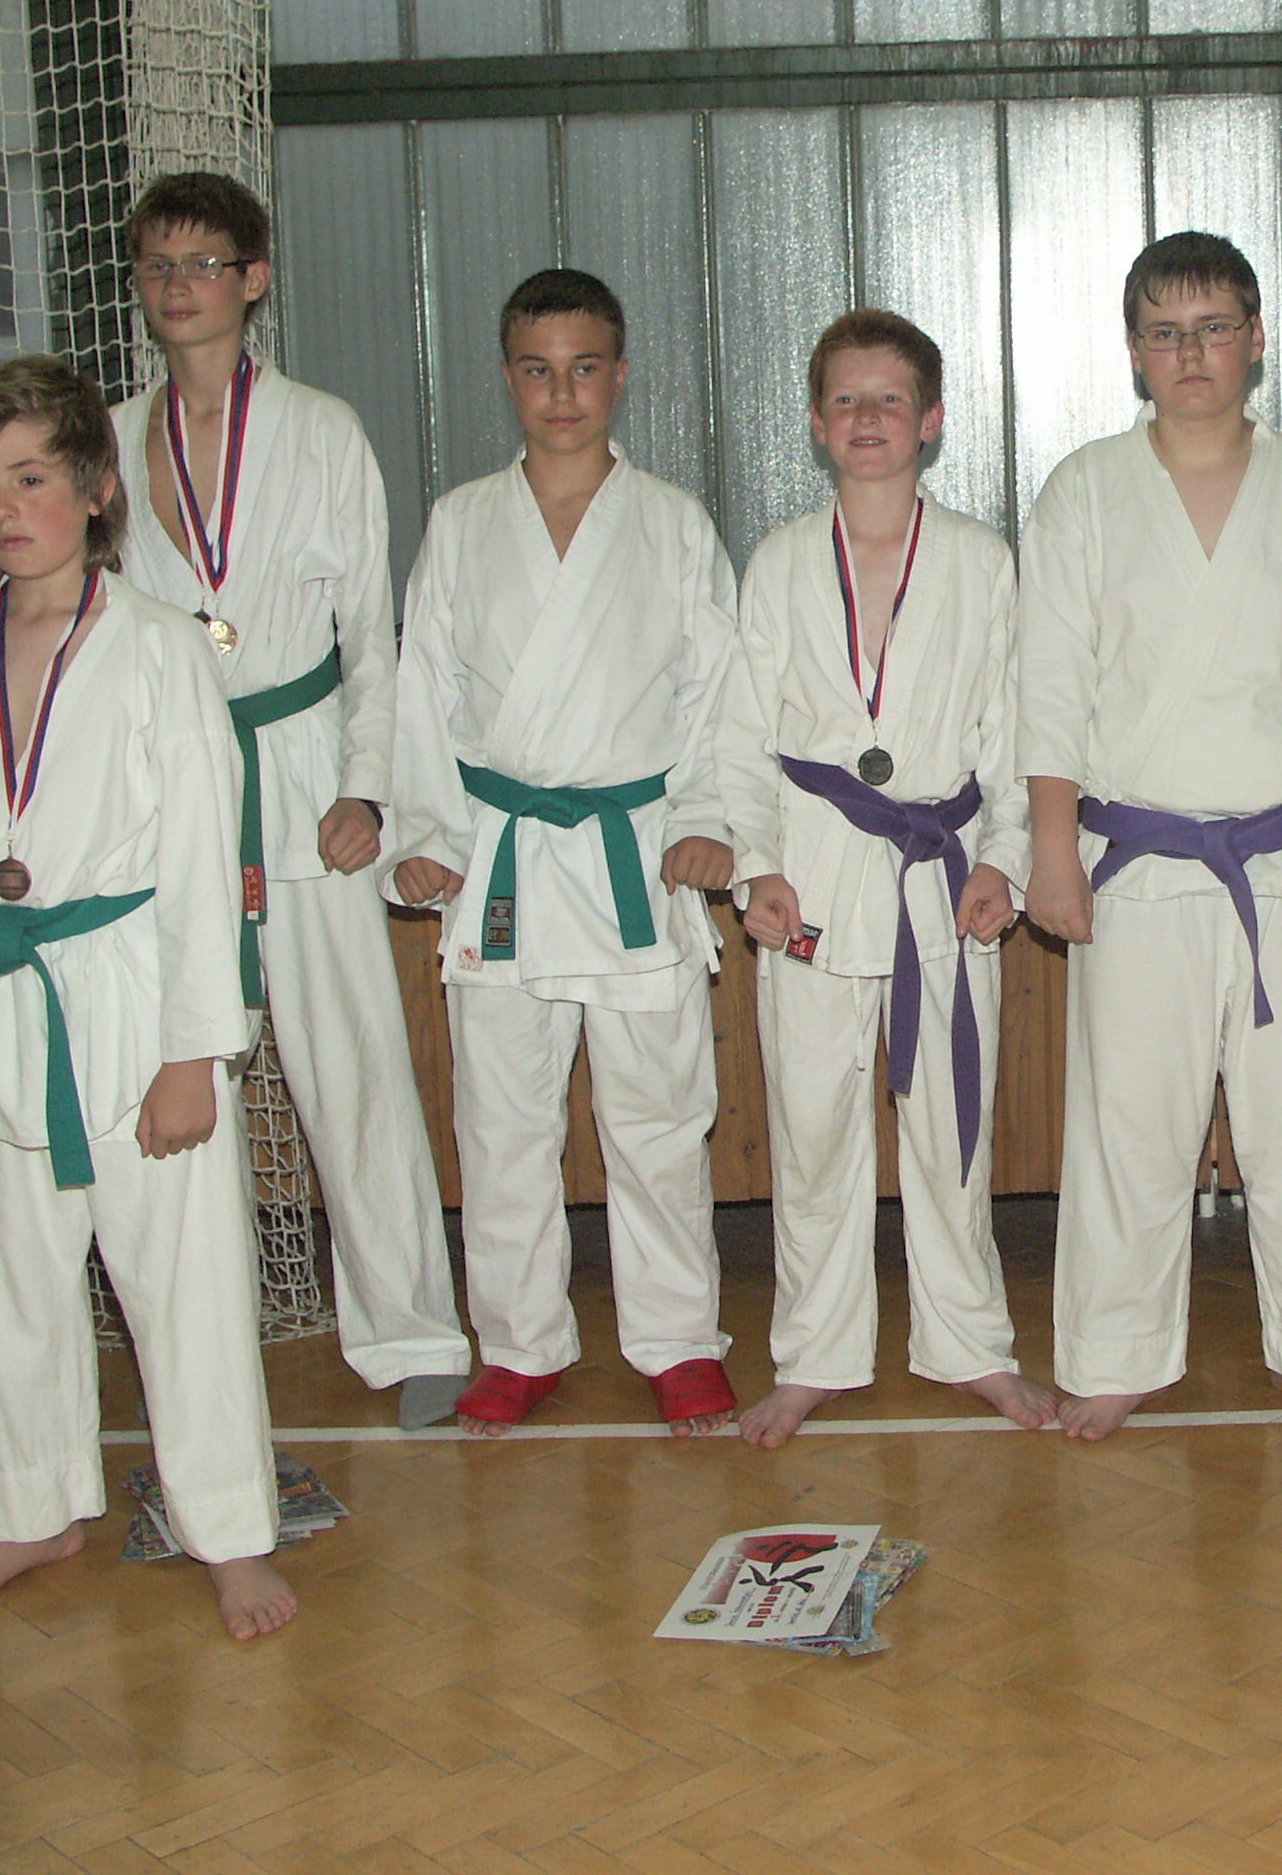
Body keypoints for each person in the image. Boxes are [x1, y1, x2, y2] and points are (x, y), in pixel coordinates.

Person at [0, 359, 295, 1641]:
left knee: (183, 1288)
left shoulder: (162, 648)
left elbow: (203, 856)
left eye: (32, 480)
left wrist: (197, 1051)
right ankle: (30, 1510)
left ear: (94, 489)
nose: (5, 510)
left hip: (131, 1000)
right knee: (12, 1283)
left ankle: (229, 1532)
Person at [1019, 230, 1282, 1440]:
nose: (1190, 353)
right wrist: (1052, 850)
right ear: (1133, 352)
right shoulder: (1085, 490)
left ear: (1256, 339)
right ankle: (1115, 1353)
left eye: (1212, 329)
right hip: (1138, 858)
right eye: (1165, 332)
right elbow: (1051, 683)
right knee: (1129, 1124)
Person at [108, 172, 472, 1432]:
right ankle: (193, 1340)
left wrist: (369, 786)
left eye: (204, 264)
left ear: (253, 280)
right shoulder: (112, 439)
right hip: (174, 785)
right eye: (159, 266)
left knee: (351, 1063)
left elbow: (371, 631)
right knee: (182, 1058)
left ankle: (415, 1331)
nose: (179, 288)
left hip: (308, 766)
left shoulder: (320, 429)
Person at [389, 271, 743, 1437]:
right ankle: (520, 1341)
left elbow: (717, 698)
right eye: (538, 370)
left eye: (584, 368)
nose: (562, 393)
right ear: (507, 378)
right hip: (503, 856)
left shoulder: (673, 524)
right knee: (502, 1124)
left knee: (658, 1118)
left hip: (635, 853)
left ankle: (678, 1341)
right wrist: (427, 835)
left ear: (620, 376)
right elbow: (423, 696)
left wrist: (706, 819)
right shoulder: (461, 522)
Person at [715, 310, 1052, 1447]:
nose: (869, 419)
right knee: (811, 1132)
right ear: (817, 425)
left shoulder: (981, 560)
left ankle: (973, 1347)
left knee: (952, 1130)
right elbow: (740, 737)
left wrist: (1005, 857)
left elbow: (1012, 732)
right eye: (847, 401)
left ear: (932, 420)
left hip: (941, 879)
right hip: (811, 878)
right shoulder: (778, 561)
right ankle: (813, 1355)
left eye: (890, 400)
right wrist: (756, 867)